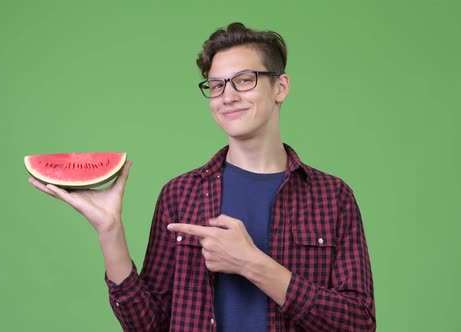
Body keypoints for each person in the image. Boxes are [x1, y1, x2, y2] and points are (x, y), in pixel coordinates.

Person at [30, 22, 376, 331]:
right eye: (216, 85)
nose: (228, 96)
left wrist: (253, 264)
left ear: (280, 87)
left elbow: (359, 322)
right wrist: (110, 232)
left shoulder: (332, 196)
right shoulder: (180, 195)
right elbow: (150, 326)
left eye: (244, 80)